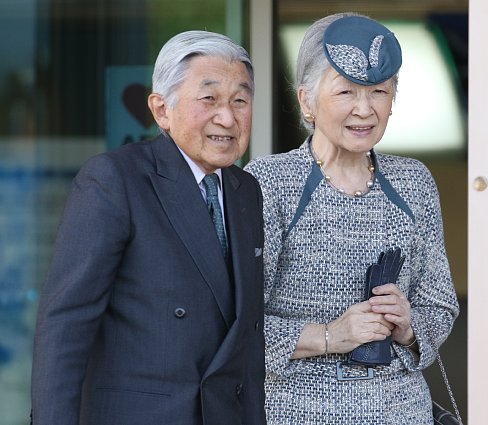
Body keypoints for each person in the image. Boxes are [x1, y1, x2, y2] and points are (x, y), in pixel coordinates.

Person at [31, 30, 266, 425]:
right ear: (161, 110)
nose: (227, 117)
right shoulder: (115, 179)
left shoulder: (245, 190)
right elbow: (66, 324)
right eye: (208, 99)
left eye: (240, 100)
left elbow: (247, 340)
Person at [245, 12, 459, 424]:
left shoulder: (414, 182)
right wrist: (331, 336)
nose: (365, 109)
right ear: (306, 100)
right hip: (299, 409)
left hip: (402, 410)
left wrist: (409, 326)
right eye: (346, 92)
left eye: (379, 91)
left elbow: (440, 303)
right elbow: (239, 324)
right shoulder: (269, 182)